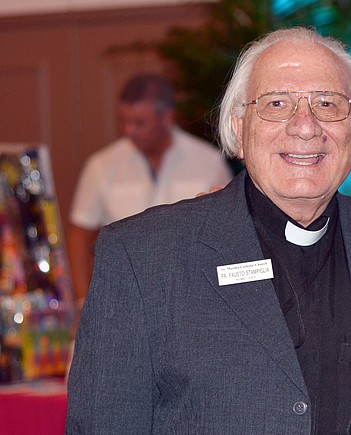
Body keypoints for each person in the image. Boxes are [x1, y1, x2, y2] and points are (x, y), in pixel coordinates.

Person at [65, 28, 351, 435]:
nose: (305, 125)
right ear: (238, 129)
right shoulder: (144, 260)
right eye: (276, 104)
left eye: (329, 104)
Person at [66, 73, 232, 303]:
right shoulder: (101, 165)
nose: (128, 130)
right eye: (124, 121)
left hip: (191, 298)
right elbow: (79, 235)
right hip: (122, 299)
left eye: (139, 123)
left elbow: (227, 234)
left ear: (167, 117)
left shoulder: (208, 162)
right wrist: (83, 299)